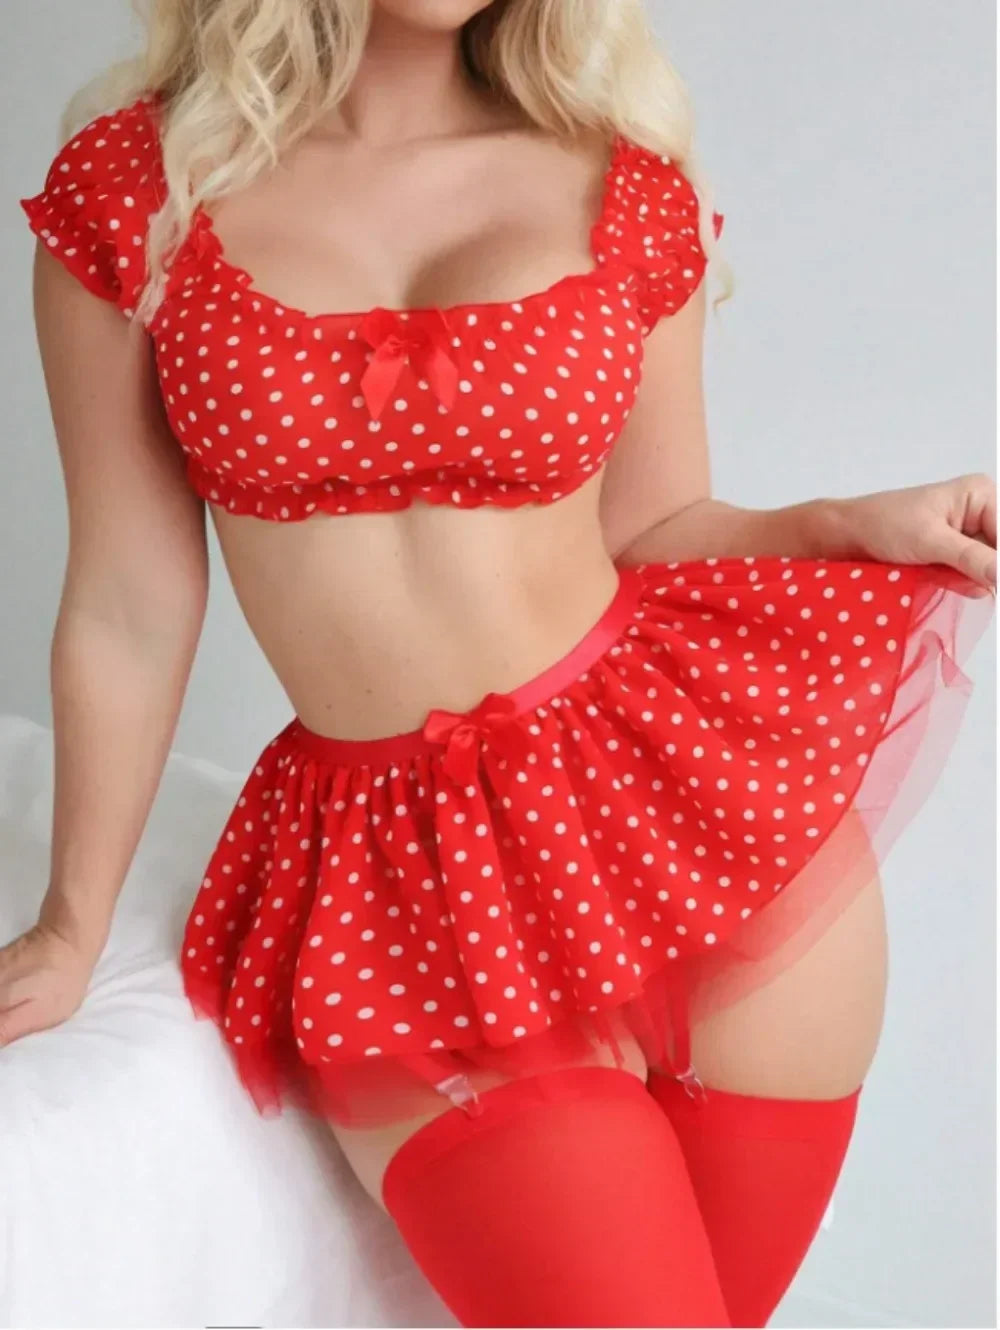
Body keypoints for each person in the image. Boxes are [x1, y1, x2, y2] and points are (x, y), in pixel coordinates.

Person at [1, 1, 994, 1326]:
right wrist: (71, 925)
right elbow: (129, 600)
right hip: (407, 899)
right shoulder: (142, 194)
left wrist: (839, 523)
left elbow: (655, 528)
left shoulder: (623, 181)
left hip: (705, 848)